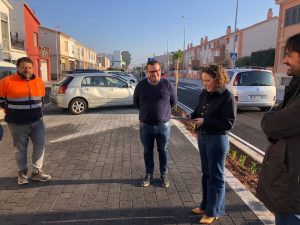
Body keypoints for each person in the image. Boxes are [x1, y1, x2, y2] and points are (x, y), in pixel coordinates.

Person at [256, 33, 300, 225]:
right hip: (289, 185)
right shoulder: (296, 85)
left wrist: (269, 118)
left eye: (289, 54)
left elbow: (272, 124)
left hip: (293, 191)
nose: (284, 60)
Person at [183, 66, 236, 224]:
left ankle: (214, 211)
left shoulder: (227, 97)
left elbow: (229, 123)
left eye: (208, 81)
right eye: (203, 80)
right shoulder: (204, 93)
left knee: (216, 177)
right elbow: (198, 110)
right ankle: (205, 206)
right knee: (206, 174)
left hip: (217, 141)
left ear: (218, 79)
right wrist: (190, 115)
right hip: (204, 138)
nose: (204, 84)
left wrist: (206, 121)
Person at [0, 57, 51, 185]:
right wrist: (11, 112)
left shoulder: (39, 81)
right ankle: (22, 174)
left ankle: (36, 172)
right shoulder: (7, 81)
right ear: (18, 68)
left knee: (40, 146)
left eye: (29, 67)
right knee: (20, 149)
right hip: (17, 124)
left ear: (32, 68)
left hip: (37, 122)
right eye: (23, 67)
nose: (26, 70)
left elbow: (42, 99)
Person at [133, 60, 177, 188]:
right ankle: (149, 174)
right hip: (145, 126)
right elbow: (136, 102)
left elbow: (174, 102)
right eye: (152, 71)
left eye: (157, 70)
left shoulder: (168, 85)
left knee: (163, 150)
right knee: (147, 151)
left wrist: (163, 115)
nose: (155, 73)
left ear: (160, 70)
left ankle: (164, 174)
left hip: (163, 126)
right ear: (147, 72)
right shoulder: (141, 86)